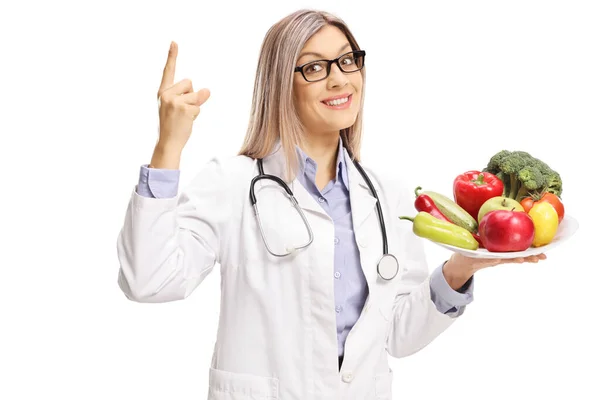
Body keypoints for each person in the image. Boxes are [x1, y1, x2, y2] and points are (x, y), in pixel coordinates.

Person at [116, 9, 545, 400]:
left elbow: (397, 334)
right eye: (315, 67)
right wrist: (169, 145)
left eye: (347, 60)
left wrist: (460, 269)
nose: (340, 79)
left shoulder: (386, 194)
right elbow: (149, 281)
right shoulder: (232, 183)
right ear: (281, 83)